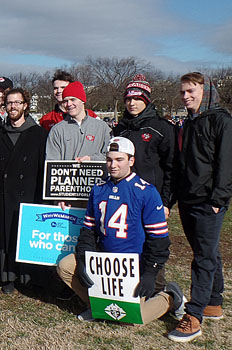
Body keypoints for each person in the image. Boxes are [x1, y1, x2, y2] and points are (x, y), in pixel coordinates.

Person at [56, 137, 185, 324]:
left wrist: (150, 273)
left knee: (132, 318)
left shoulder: (146, 191)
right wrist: (84, 258)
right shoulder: (99, 189)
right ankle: (98, 306)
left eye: (119, 160)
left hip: (133, 265)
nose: (113, 165)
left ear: (131, 161)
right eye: (109, 160)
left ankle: (171, 297)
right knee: (65, 266)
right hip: (104, 261)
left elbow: (159, 240)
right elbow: (89, 230)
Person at [168, 72, 232, 343]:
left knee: (203, 258)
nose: (186, 96)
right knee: (205, 251)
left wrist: (218, 200)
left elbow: (226, 164)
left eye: (191, 91)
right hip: (188, 199)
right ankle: (214, 301)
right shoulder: (189, 123)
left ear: (206, 91)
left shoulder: (222, 121)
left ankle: (194, 315)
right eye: (183, 92)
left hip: (209, 202)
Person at [113, 74, 177, 294]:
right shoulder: (120, 128)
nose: (132, 103)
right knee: (128, 240)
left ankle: (158, 289)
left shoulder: (162, 127)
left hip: (152, 198)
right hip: (124, 197)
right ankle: (127, 287)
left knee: (153, 243)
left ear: (147, 100)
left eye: (138, 98)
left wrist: (167, 201)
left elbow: (171, 167)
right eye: (129, 98)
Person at [0, 88, 48, 294]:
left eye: (17, 103)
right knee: (7, 234)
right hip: (5, 194)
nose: (13, 107)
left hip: (29, 191)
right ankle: (8, 275)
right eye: (9, 103)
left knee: (26, 233)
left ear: (25, 105)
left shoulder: (38, 134)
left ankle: (28, 276)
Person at [45, 81, 111, 161]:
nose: (69, 104)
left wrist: (91, 159)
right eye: (65, 101)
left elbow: (110, 155)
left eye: (73, 100)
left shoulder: (102, 127)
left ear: (82, 100)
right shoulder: (57, 130)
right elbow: (52, 162)